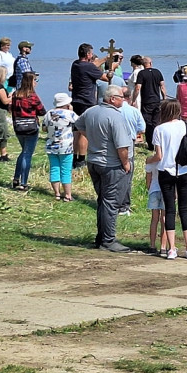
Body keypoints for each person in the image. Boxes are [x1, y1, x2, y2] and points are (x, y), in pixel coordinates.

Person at [74, 86, 134, 252]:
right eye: (121, 97)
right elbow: (122, 145)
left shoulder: (91, 111)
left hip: (94, 161)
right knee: (111, 202)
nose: (124, 99)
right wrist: (126, 163)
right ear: (112, 99)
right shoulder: (116, 117)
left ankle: (101, 237)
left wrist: (94, 139)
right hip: (111, 164)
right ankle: (108, 240)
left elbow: (78, 125)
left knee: (103, 200)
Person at [147, 99, 187, 260]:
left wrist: (148, 160)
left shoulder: (159, 129)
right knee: (184, 209)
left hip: (166, 172)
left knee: (170, 209)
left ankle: (172, 249)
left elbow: (159, 156)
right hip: (185, 170)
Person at [10, 71, 46, 191]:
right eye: (35, 80)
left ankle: (16, 178)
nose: (36, 83)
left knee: (23, 151)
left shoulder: (16, 94)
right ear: (31, 81)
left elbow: (12, 110)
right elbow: (42, 111)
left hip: (18, 127)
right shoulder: (32, 96)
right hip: (30, 127)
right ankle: (24, 182)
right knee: (27, 154)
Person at [116, 87, 146, 216]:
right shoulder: (134, 111)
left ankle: (113, 203)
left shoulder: (114, 110)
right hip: (129, 143)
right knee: (127, 175)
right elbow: (142, 128)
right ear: (129, 97)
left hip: (113, 144)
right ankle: (124, 206)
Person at [43, 92, 77, 201]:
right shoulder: (69, 114)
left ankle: (57, 193)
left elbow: (44, 128)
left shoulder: (49, 113)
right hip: (66, 146)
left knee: (54, 168)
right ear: (67, 103)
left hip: (51, 145)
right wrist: (71, 111)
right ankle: (67, 195)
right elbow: (80, 122)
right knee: (66, 170)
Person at [132, 56, 166, 149]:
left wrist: (133, 100)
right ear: (151, 63)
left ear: (143, 64)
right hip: (156, 100)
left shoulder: (141, 73)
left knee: (147, 123)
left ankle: (151, 144)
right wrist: (164, 98)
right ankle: (157, 143)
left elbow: (137, 87)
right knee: (156, 122)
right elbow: (162, 87)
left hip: (146, 102)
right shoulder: (157, 72)